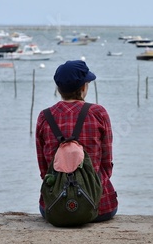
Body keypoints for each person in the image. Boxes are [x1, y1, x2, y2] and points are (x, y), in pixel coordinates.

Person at [35, 60, 118, 222]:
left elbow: (44, 169)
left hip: (54, 207)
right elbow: (106, 163)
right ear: (83, 88)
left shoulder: (44, 116)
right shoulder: (98, 113)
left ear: (58, 89)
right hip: (100, 206)